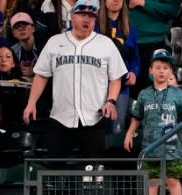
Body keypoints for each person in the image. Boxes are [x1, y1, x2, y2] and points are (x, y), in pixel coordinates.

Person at [22, 0, 128, 159]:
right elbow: (42, 74)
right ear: (72, 16)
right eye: (82, 14)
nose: (86, 19)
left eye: (91, 16)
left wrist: (111, 101)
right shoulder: (55, 42)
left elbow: (115, 78)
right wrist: (31, 103)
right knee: (57, 172)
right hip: (61, 116)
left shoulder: (106, 44)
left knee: (91, 171)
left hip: (94, 117)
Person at [124, 49, 182, 195]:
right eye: (158, 67)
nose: (162, 71)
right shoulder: (144, 94)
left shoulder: (179, 94)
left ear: (171, 72)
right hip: (150, 147)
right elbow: (137, 116)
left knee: (173, 180)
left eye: (166, 68)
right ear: (150, 70)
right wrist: (129, 133)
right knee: (152, 183)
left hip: (172, 148)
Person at [98, 0, 140, 134]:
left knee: (116, 130)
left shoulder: (130, 27)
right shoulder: (94, 25)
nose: (115, 1)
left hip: (122, 87)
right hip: (97, 86)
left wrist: (133, 72)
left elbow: (135, 57)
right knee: (97, 130)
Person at [127, 0, 182, 94]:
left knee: (153, 91)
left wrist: (144, 3)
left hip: (152, 43)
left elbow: (173, 10)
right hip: (124, 42)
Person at [10, 12, 43, 80]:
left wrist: (35, 71)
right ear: (13, 33)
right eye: (17, 27)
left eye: (25, 25)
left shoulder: (44, 47)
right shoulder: (12, 51)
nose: (21, 29)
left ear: (33, 28)